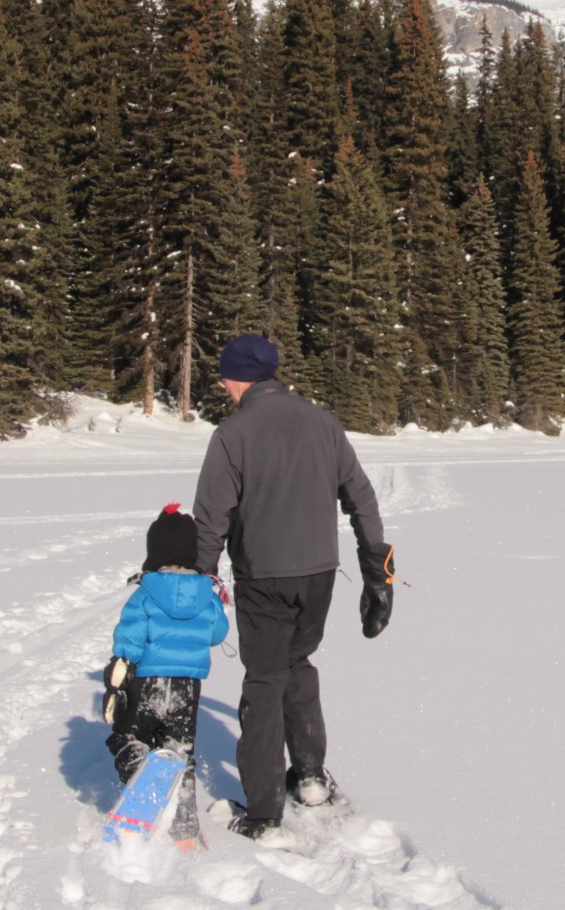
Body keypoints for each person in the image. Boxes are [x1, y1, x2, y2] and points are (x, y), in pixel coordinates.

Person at [193, 334, 395, 843]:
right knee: (297, 666)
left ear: (239, 377)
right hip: (319, 576)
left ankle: (263, 813)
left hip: (264, 577)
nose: (222, 385)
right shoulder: (322, 421)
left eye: (224, 376)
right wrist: (378, 570)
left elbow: (209, 518)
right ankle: (309, 779)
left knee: (264, 680)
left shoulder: (232, 433)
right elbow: (361, 497)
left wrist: (201, 579)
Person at [103, 503, 231, 852]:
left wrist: (119, 670)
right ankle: (185, 829)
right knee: (180, 753)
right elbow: (217, 633)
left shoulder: (146, 591)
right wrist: (216, 602)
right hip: (187, 688)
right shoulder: (206, 593)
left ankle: (142, 771)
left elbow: (129, 637)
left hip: (146, 682)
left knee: (127, 736)